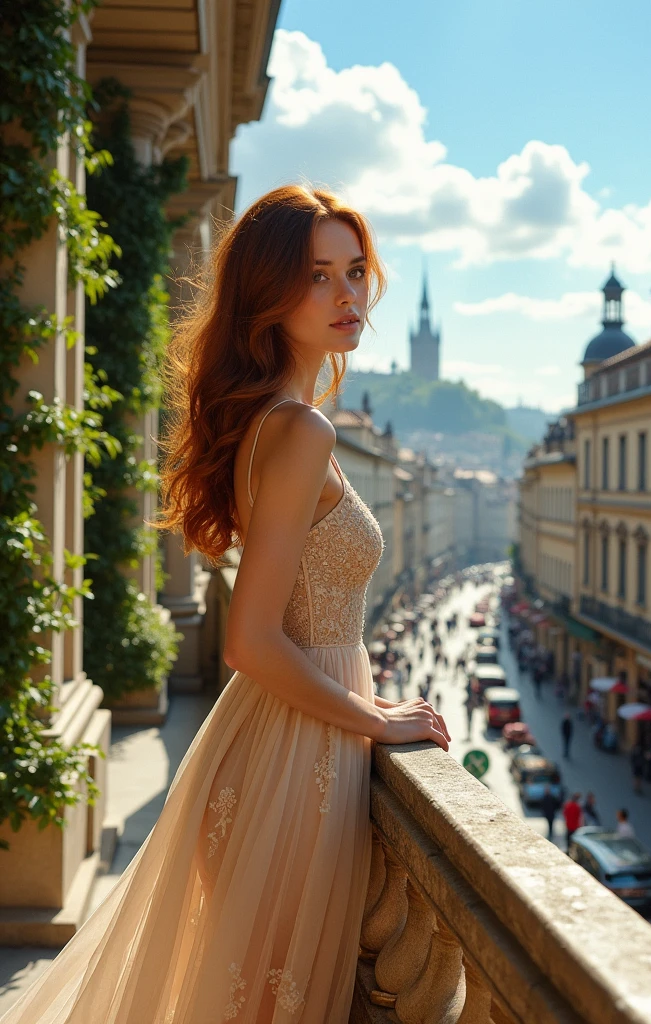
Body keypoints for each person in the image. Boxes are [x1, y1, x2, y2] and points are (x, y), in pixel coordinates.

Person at [2, 186, 452, 1024]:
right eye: (318, 276)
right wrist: (374, 721)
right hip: (294, 762)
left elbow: (301, 619)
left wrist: (364, 705)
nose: (348, 295)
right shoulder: (301, 431)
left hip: (285, 742)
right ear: (269, 295)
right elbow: (248, 640)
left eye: (356, 271)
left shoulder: (278, 422)